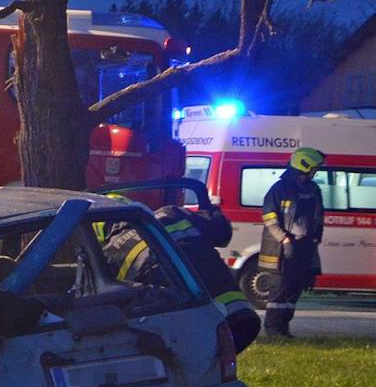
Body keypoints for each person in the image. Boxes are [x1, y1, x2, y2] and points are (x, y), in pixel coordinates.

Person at [103, 201, 262, 354]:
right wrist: (211, 209)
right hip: (241, 315)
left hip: (193, 332)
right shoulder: (170, 213)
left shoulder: (110, 254)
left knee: (208, 369)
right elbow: (222, 232)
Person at [260, 146, 326, 337]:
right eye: (314, 167)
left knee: (294, 289)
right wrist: (285, 239)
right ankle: (273, 329)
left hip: (304, 246)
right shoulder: (280, 189)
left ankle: (283, 328)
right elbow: (270, 218)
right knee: (280, 290)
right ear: (304, 165)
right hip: (281, 248)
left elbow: (319, 215)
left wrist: (316, 236)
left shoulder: (312, 189)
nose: (316, 171)